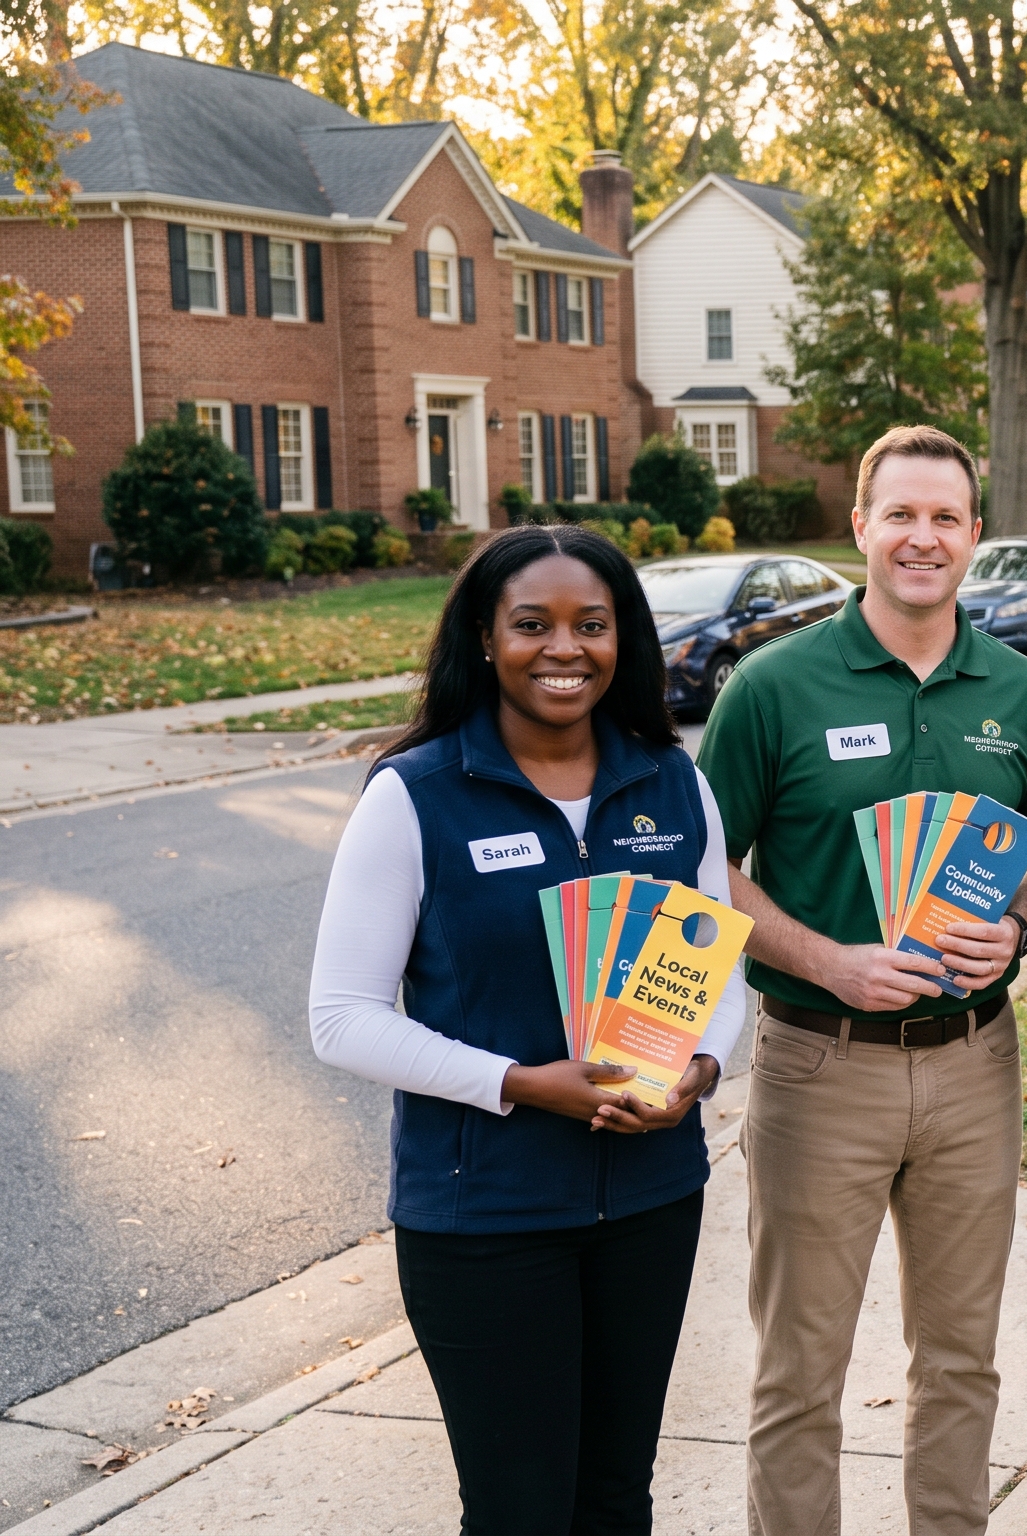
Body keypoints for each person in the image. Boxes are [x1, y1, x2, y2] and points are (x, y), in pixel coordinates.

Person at [308, 524, 745, 1532]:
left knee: (614, 1498)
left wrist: (703, 1068)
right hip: (484, 1218)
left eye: (592, 625)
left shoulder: (671, 782)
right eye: (532, 624)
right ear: (483, 634)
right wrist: (518, 1081)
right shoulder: (413, 797)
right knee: (518, 1510)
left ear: (623, 639)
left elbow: (721, 973)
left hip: (650, 1199)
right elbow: (342, 1020)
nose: (565, 649)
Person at [696, 425, 1027, 1536]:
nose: (923, 537)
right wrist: (827, 959)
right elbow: (702, 864)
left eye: (946, 518)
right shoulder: (773, 688)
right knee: (799, 1372)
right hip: (821, 1065)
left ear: (974, 534)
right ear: (859, 526)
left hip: (974, 1065)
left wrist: (1013, 924)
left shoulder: (1018, 690)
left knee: (961, 1361)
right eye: (900, 515)